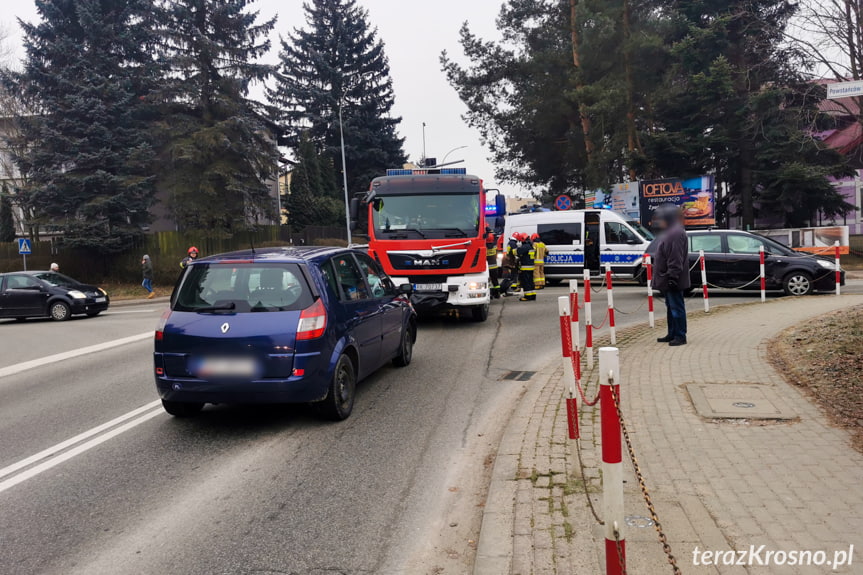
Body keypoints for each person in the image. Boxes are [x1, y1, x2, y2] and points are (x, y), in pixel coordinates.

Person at [652, 205, 691, 346]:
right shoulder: (671, 232)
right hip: (668, 278)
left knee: (676, 307)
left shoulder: (675, 233)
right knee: (671, 307)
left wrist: (672, 278)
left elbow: (675, 258)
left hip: (673, 278)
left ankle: (680, 335)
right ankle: (672, 333)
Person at [517, 233, 537, 301]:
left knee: (526, 282)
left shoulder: (525, 246)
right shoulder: (531, 245)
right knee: (531, 282)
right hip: (531, 266)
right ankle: (533, 295)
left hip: (526, 267)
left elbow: (517, 252)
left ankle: (527, 297)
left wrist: (514, 249)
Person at [485, 227, 501, 299]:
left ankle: (490, 295)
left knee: (488, 282)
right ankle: (497, 294)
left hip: (487, 267)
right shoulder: (494, 246)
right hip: (494, 266)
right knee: (495, 281)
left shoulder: (484, 247)